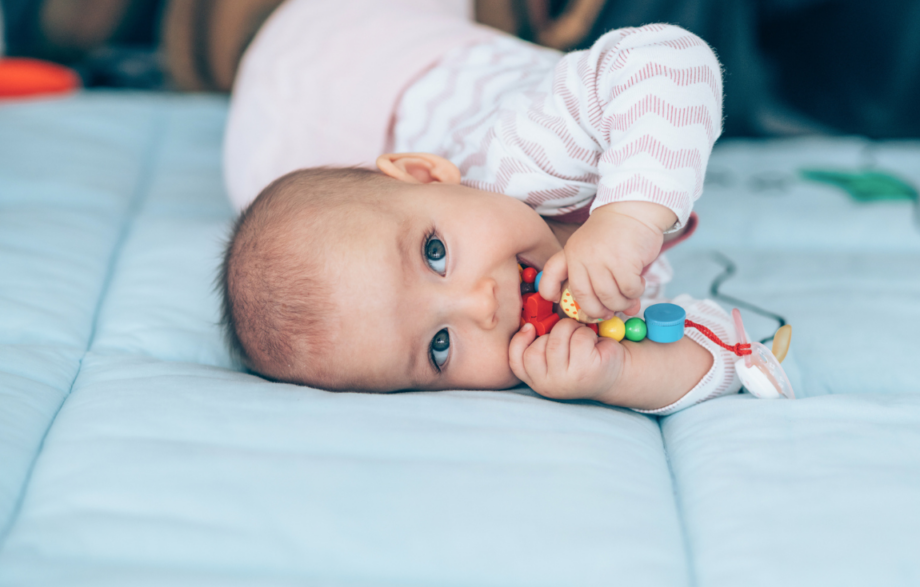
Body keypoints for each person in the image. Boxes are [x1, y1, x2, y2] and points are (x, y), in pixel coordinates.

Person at [219, 0, 743, 414]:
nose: (483, 307)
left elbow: (670, 57)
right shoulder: (559, 339)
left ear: (427, 173)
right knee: (286, 237)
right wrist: (621, 375)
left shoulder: (524, 153)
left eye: (435, 253)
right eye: (439, 348)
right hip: (267, 154)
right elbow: (737, 355)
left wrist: (630, 216)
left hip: (358, 38)